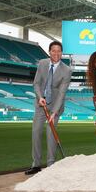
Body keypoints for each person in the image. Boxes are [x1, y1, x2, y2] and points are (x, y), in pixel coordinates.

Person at [25, 41, 72, 175]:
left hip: (56, 104)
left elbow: (62, 93)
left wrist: (54, 112)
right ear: (49, 52)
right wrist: (40, 97)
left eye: (59, 51)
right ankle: (36, 164)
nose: (56, 53)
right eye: (53, 51)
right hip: (41, 103)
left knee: (51, 133)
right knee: (36, 132)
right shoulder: (42, 63)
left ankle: (51, 164)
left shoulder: (67, 70)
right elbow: (36, 83)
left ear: (62, 53)